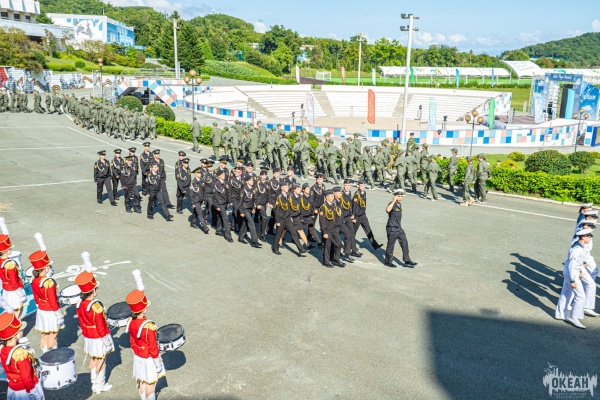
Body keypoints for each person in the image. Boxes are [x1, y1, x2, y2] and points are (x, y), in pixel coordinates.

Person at [75, 251, 114, 394]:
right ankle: (100, 385)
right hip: (98, 337)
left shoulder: (79, 304)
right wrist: (107, 342)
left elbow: (81, 322)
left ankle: (93, 383)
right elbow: (101, 327)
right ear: (94, 291)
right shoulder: (96, 307)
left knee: (93, 358)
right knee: (102, 360)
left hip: (88, 336)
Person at [126, 270, 165, 400]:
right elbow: (153, 347)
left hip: (138, 356)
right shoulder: (149, 327)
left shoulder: (130, 322)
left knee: (142, 381)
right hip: (148, 359)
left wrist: (137, 351)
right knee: (151, 384)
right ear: (144, 309)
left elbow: (132, 341)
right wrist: (158, 363)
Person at [0, 304, 45, 399]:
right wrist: (35, 395)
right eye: (20, 329)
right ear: (15, 335)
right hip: (25, 391)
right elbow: (27, 379)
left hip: (13, 389)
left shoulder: (3, 349)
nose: (22, 330)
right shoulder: (20, 354)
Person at [29, 232, 63, 353]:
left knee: (44, 336)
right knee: (53, 337)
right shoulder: (48, 282)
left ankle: (44, 356)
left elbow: (36, 297)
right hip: (50, 312)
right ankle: (52, 359)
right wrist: (59, 315)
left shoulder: (34, 280)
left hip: (41, 311)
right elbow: (53, 301)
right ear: (45, 267)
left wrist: (40, 305)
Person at [555, 228, 594, 328]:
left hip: (571, 272)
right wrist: (573, 280)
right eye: (589, 236)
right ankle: (574, 317)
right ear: (583, 237)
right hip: (572, 273)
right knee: (581, 296)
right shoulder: (577, 249)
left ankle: (560, 314)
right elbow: (572, 265)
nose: (590, 238)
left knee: (566, 293)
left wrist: (580, 271)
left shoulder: (580, 246)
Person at [0, 218, 26, 320]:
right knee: (17, 312)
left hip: (6, 290)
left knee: (13, 311)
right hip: (14, 291)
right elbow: (14, 281)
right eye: (9, 248)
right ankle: (15, 328)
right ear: (6, 251)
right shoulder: (10, 264)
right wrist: (21, 294)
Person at [384, 189, 417, 267]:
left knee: (404, 242)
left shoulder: (399, 204)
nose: (400, 198)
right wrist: (393, 200)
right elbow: (387, 210)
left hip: (398, 227)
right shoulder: (392, 204)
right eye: (398, 196)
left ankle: (407, 259)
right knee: (391, 245)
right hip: (392, 228)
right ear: (395, 196)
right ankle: (388, 261)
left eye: (401, 196)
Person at [272, 181, 306, 257]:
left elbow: (289, 208)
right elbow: (276, 210)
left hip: (287, 218)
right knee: (278, 234)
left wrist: (290, 216)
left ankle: (300, 248)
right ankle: (275, 248)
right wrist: (277, 221)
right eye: (286, 187)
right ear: (282, 188)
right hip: (281, 219)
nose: (288, 188)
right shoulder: (279, 197)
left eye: (288, 187)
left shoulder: (288, 196)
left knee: (293, 233)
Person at [352, 181, 382, 250]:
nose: (363, 187)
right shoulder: (356, 195)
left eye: (364, 186)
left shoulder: (364, 193)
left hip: (363, 215)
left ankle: (375, 245)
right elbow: (354, 206)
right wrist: (353, 216)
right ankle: (351, 246)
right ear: (358, 186)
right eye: (361, 186)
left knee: (368, 230)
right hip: (357, 216)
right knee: (353, 232)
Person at [319, 189, 344, 267]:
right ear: (327, 197)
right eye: (331, 196)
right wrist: (324, 232)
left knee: (339, 243)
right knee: (327, 246)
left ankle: (336, 259)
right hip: (327, 230)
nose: (333, 198)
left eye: (333, 196)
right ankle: (326, 262)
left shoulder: (333, 205)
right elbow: (322, 221)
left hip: (334, 229)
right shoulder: (323, 207)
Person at [333, 186, 356, 263]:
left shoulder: (339, 201)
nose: (340, 194)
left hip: (341, 223)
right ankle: (336, 256)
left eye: (341, 193)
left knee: (348, 235)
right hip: (335, 224)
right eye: (339, 193)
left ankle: (347, 252)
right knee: (336, 241)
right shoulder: (333, 202)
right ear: (334, 193)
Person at [238, 175, 262, 248]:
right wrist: (241, 212)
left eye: (252, 180)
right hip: (245, 209)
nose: (252, 181)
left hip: (249, 209)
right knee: (251, 224)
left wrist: (253, 208)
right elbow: (240, 202)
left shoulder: (252, 189)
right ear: (247, 181)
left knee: (245, 223)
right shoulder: (244, 190)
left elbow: (253, 199)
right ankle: (254, 241)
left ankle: (241, 237)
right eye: (250, 180)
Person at [213, 168, 234, 243]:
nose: (224, 175)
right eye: (222, 175)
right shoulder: (216, 184)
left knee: (220, 217)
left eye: (224, 174)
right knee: (226, 219)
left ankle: (218, 230)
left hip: (225, 203)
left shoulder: (226, 183)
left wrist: (229, 201)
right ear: (218, 176)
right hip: (220, 204)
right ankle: (228, 236)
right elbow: (215, 196)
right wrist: (217, 206)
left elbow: (228, 193)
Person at [300, 183, 322, 248]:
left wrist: (313, 212)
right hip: (303, 216)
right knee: (298, 230)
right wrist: (300, 217)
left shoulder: (309, 196)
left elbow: (312, 205)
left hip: (308, 216)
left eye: (309, 189)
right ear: (303, 190)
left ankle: (319, 242)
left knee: (312, 228)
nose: (308, 190)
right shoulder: (301, 197)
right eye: (307, 189)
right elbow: (300, 208)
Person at [189, 167, 209, 233]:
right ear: (195, 174)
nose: (200, 174)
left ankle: (192, 223)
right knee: (199, 213)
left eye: (200, 173)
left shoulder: (202, 180)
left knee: (196, 211)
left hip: (200, 199)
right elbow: (191, 194)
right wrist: (192, 203)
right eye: (198, 173)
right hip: (195, 200)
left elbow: (204, 190)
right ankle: (204, 226)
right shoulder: (193, 182)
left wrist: (204, 198)